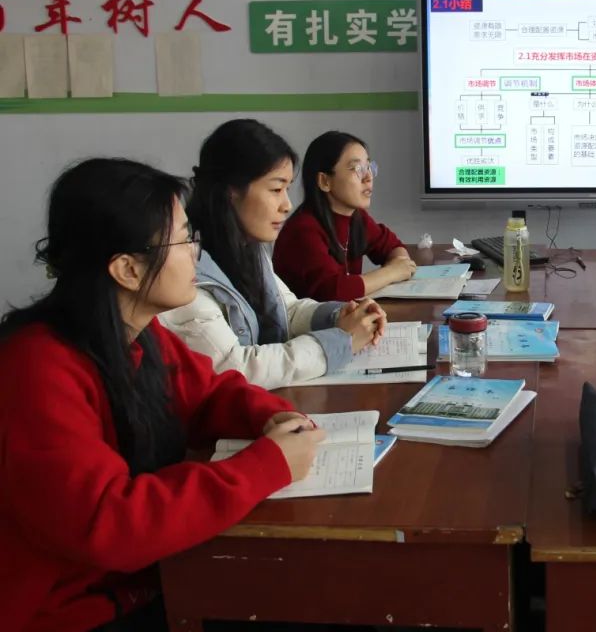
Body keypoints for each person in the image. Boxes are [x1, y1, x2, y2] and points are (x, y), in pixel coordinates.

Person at [0, 158, 325, 632]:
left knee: (309, 594)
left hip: (154, 575)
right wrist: (265, 466)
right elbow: (110, 523)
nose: (196, 253)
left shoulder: (138, 332)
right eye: (184, 239)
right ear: (128, 269)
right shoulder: (35, 368)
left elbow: (209, 394)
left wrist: (269, 417)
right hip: (73, 611)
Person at [159, 119, 387, 390]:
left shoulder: (247, 247)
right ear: (231, 191)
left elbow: (286, 311)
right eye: (276, 189)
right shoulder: (185, 269)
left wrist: (340, 315)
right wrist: (340, 341)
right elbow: (237, 367)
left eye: (287, 189)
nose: (287, 205)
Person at [273, 131, 415, 301]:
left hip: (342, 315)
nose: (368, 177)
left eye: (368, 167)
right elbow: (332, 291)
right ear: (325, 181)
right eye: (357, 169)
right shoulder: (303, 229)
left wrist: (400, 264)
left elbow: (392, 246)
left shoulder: (357, 217)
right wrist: (391, 272)